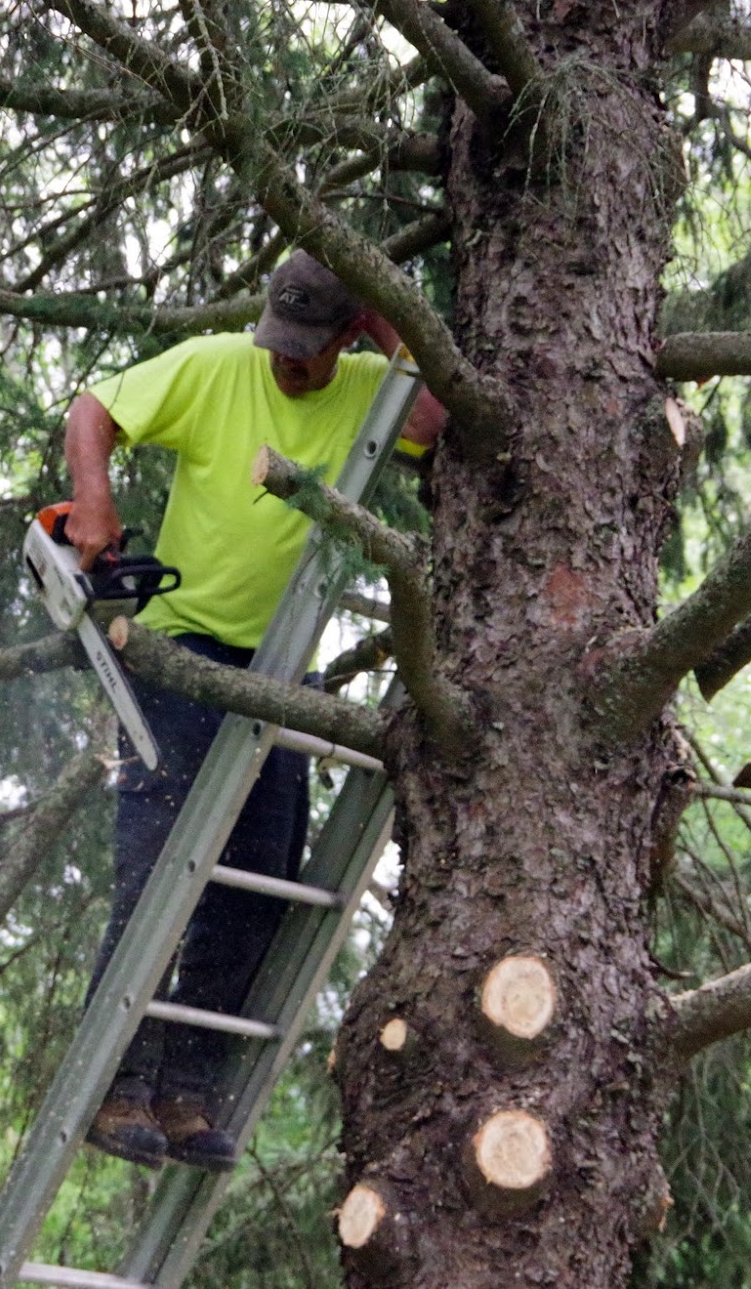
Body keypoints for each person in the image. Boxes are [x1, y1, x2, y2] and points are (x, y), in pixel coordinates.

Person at [63, 252, 444, 1170]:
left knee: (256, 880)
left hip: (279, 667)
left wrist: (386, 324)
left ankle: (189, 1090)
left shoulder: (370, 389)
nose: (291, 362)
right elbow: (93, 408)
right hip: (181, 650)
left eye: (312, 348)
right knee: (156, 866)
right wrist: (93, 496)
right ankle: (116, 1086)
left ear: (348, 335)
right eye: (283, 340)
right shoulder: (214, 365)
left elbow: (436, 421)